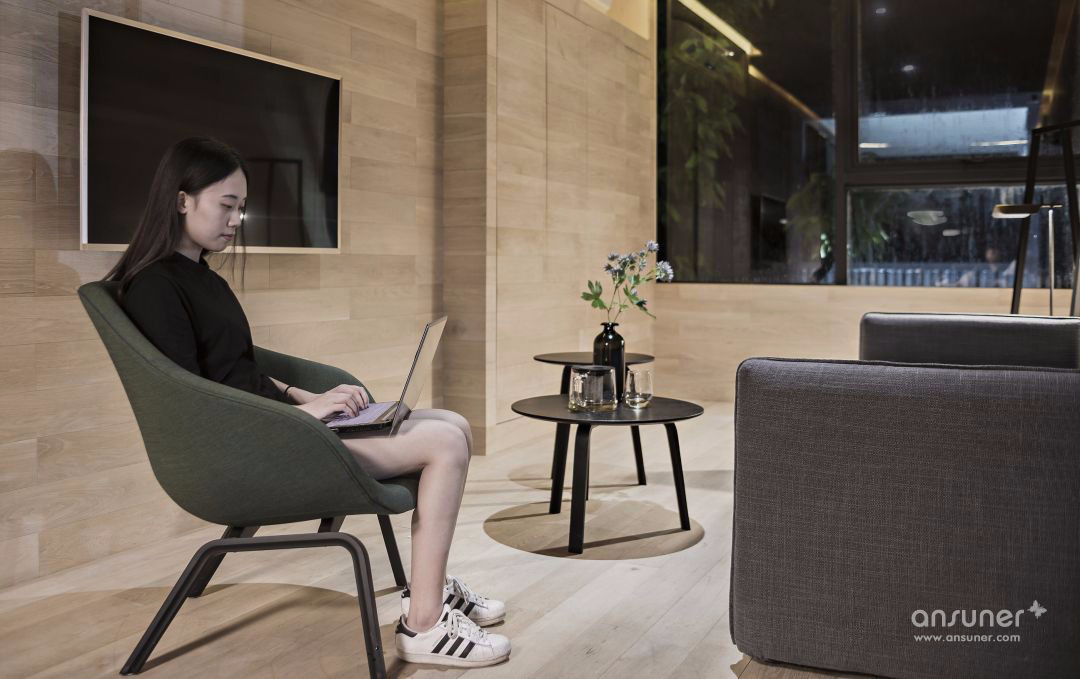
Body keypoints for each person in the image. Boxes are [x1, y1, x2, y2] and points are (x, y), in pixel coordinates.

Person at [102, 137, 511, 668]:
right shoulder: (154, 287)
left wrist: (307, 397)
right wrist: (298, 417)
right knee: (444, 446)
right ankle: (424, 623)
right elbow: (193, 398)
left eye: (240, 207)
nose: (236, 220)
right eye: (226, 205)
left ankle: (430, 586)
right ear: (182, 200)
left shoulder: (200, 276)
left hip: (276, 427)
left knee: (454, 423)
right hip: (251, 447)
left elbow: (236, 368)